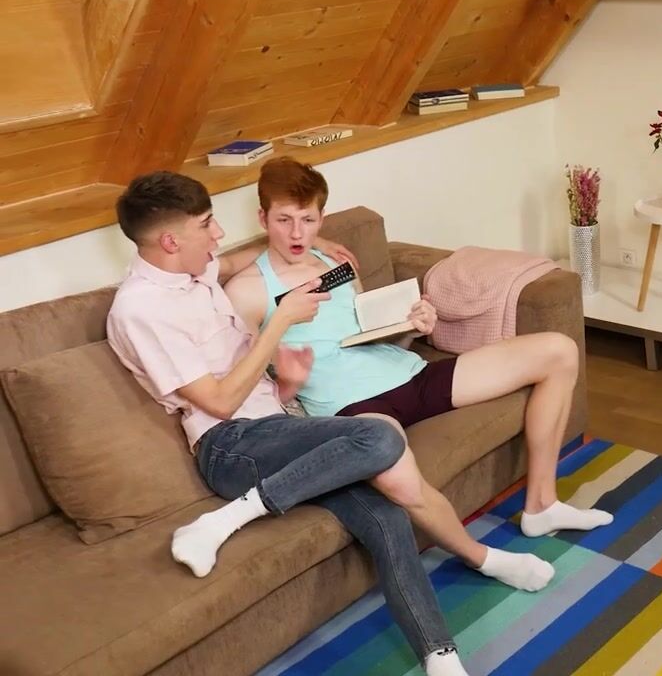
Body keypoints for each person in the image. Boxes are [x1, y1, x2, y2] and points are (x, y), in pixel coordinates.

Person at [104, 171, 550, 676]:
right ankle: (222, 520)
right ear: (170, 241)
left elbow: (250, 254)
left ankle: (441, 656)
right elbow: (222, 404)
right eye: (207, 224)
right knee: (378, 435)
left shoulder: (195, 271)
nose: (218, 234)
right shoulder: (141, 310)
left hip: (278, 426)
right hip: (229, 446)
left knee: (386, 518)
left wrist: (315, 243)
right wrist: (280, 321)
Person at [223, 156, 613, 544]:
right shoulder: (246, 290)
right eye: (284, 220)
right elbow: (249, 392)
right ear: (263, 219)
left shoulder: (337, 262)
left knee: (559, 351)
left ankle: (541, 505)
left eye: (307, 220)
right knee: (395, 466)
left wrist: (412, 327)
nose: (297, 233)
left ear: (321, 218)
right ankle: (476, 555)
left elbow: (371, 338)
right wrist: (288, 384)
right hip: (353, 409)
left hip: (411, 373)